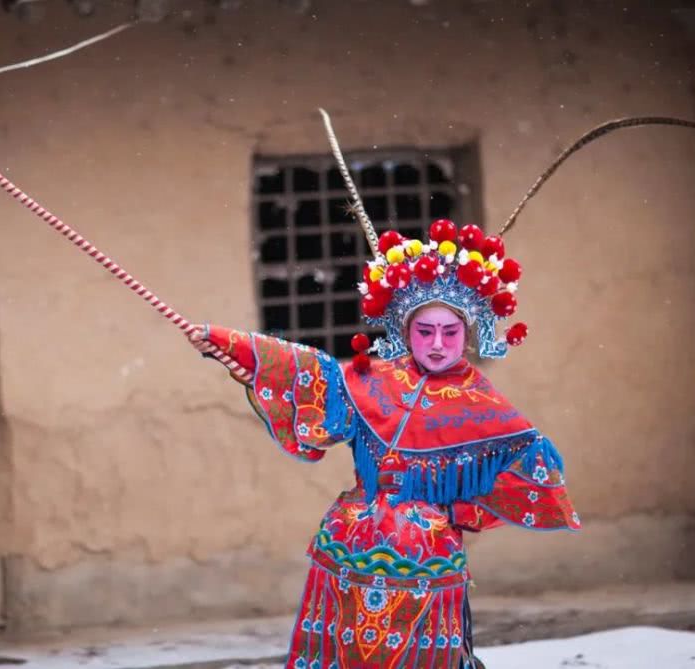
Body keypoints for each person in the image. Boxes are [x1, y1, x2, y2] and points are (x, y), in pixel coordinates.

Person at [187, 123, 579, 667]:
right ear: (404, 330)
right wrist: (235, 350)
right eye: (424, 331)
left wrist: (458, 508)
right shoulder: (371, 379)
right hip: (348, 550)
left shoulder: (482, 405)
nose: (437, 344)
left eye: (450, 332)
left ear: (468, 334)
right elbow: (310, 373)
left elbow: (529, 471)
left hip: (430, 563)